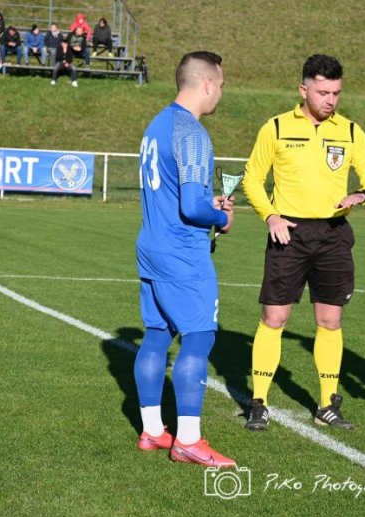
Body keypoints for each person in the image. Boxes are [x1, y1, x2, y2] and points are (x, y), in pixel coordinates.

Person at [242, 54, 365, 432]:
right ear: (303, 89)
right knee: (275, 318)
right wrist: (270, 216)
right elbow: (252, 179)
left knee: (330, 320)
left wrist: (361, 194)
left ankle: (327, 404)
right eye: (323, 92)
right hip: (287, 232)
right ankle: (259, 402)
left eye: (336, 93)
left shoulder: (351, 132)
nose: (331, 100)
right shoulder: (274, 128)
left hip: (333, 235)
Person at [134, 51, 235, 467]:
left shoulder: (157, 123)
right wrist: (221, 215)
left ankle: (153, 431)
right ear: (207, 82)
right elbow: (194, 208)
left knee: (157, 334)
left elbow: (177, 193)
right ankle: (189, 440)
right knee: (199, 337)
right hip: (182, 253)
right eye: (222, 84)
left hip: (151, 245)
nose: (221, 92)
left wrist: (201, 202)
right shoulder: (191, 133)